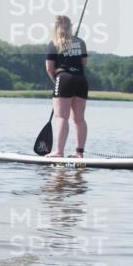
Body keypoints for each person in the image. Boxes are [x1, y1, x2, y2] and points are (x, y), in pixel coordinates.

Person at [45, 14, 88, 158]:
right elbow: (83, 63)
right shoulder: (80, 42)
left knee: (61, 117)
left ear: (56, 27)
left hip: (64, 78)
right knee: (79, 118)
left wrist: (56, 81)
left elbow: (49, 68)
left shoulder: (54, 43)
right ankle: (79, 153)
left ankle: (58, 152)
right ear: (70, 27)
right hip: (81, 80)